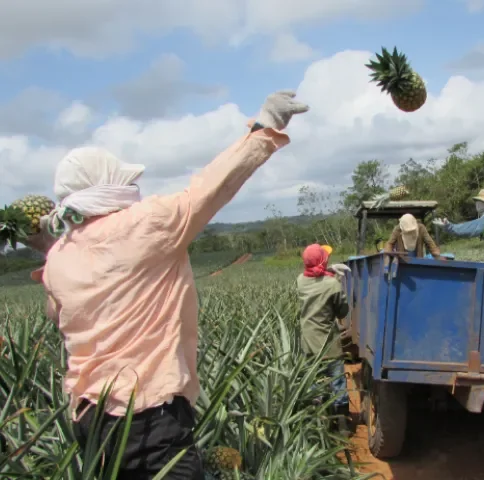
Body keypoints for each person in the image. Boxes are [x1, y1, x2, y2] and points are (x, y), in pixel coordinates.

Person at [24, 90, 309, 479]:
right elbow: (213, 186)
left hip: (88, 418)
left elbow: (58, 316)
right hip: (146, 418)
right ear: (107, 186)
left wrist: (52, 249)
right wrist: (266, 127)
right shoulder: (145, 226)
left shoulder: (58, 256)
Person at [296, 243, 351, 436]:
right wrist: (334, 278)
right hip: (329, 344)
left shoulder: (300, 281)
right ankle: (342, 425)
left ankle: (318, 425)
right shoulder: (333, 285)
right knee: (337, 382)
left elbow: (315, 277)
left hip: (309, 343)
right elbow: (342, 310)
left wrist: (328, 272)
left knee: (313, 382)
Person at [433, 188, 484, 265]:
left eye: (480, 201)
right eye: (477, 201)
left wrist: (448, 226)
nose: (477, 203)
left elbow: (469, 228)